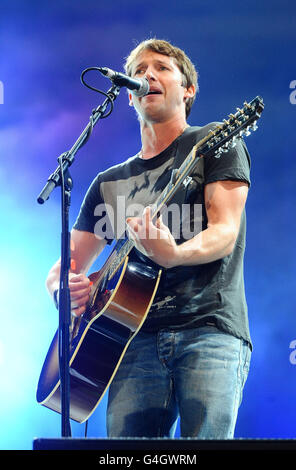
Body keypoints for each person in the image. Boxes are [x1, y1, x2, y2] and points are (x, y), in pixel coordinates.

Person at [46, 38, 252, 438]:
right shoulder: (109, 182)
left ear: (188, 89)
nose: (147, 76)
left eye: (161, 68)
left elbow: (225, 233)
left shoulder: (212, 143)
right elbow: (63, 266)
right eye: (139, 71)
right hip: (129, 343)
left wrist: (172, 254)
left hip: (207, 329)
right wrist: (62, 290)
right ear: (127, 96)